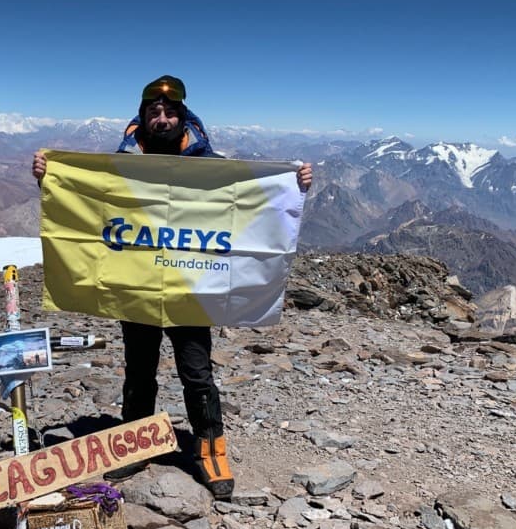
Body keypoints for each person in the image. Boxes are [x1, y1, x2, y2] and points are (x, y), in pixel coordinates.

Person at [32, 75, 313, 499]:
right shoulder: (120, 165)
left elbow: (247, 201)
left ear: (183, 117)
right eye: (153, 112)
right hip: (138, 284)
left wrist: (294, 184)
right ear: (142, 117)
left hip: (189, 286)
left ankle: (210, 449)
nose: (161, 119)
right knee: (139, 368)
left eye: (170, 112)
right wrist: (49, 178)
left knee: (196, 372)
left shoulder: (210, 164)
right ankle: (133, 445)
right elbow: (87, 205)